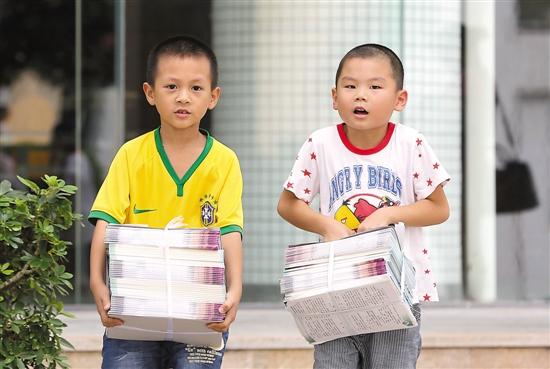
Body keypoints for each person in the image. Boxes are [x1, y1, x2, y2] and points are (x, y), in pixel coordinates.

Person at [277, 43, 450, 369]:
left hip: (398, 291)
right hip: (335, 287)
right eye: (350, 86)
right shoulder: (320, 143)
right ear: (334, 96)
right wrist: (326, 225)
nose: (361, 95)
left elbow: (439, 208)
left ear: (400, 99)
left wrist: (388, 213)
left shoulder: (411, 144)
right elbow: (288, 204)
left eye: (375, 86)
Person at [88, 35, 243, 369]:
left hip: (200, 311)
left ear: (213, 97)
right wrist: (97, 282)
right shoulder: (131, 155)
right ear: (150, 93)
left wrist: (236, 288)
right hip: (133, 311)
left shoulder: (224, 161)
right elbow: (106, 221)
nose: (183, 97)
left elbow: (230, 228)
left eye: (196, 88)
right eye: (171, 87)